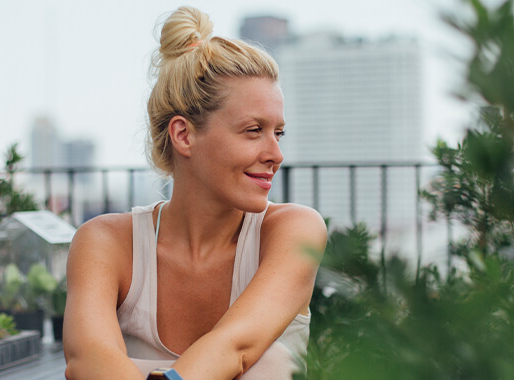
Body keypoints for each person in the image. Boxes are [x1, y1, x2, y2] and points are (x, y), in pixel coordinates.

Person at [62, 6, 327, 380]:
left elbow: (237, 347)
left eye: (278, 133)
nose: (275, 155)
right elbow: (87, 359)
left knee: (269, 362)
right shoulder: (105, 242)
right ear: (184, 135)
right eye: (253, 131)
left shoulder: (294, 230)